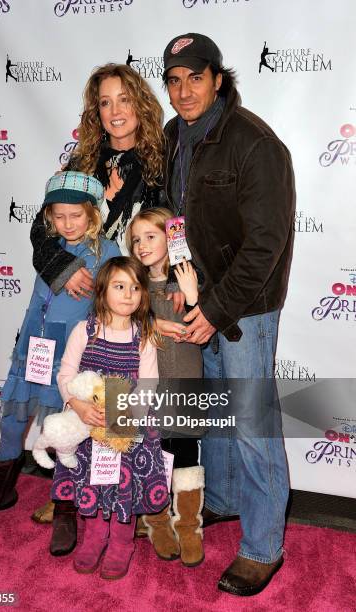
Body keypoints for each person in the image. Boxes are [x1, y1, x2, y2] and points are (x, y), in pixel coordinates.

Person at [162, 33, 295, 596]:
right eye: (174, 79)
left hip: (244, 308)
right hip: (198, 300)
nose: (184, 90)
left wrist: (215, 310)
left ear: (219, 78)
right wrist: (178, 287)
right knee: (214, 413)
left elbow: (265, 244)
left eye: (196, 77)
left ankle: (264, 546)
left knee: (251, 425)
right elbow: (176, 221)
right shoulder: (173, 137)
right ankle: (220, 500)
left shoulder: (254, 142)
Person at [29, 64, 186, 529]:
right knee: (78, 396)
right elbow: (42, 229)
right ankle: (68, 497)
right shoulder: (81, 164)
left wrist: (179, 287)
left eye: (124, 99)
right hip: (83, 300)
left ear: (139, 103)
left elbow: (172, 228)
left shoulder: (163, 161)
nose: (115, 111)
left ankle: (133, 498)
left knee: (131, 402)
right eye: (105, 102)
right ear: (95, 111)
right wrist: (62, 267)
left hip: (139, 295)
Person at [0, 172, 120, 531]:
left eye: (76, 215)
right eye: (59, 216)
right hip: (32, 348)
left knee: (59, 429)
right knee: (11, 421)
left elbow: (110, 305)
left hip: (67, 358)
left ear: (93, 214)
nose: (67, 223)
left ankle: (64, 510)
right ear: (49, 217)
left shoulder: (107, 252)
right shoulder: (48, 247)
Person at [51, 256, 169, 580]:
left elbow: (148, 385)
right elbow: (65, 375)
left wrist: (125, 416)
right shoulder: (84, 330)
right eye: (119, 286)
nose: (128, 294)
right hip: (87, 426)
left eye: (135, 287)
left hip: (125, 428)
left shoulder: (142, 337)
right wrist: (77, 405)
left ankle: (121, 542)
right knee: (92, 482)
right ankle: (94, 537)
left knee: (122, 486)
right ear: (102, 291)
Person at [127, 207, 205, 567]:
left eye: (150, 236)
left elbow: (204, 334)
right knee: (151, 453)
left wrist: (191, 296)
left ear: (171, 238)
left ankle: (189, 526)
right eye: (136, 239)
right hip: (147, 388)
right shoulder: (131, 283)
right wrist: (153, 324)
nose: (142, 245)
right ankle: (156, 523)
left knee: (187, 454)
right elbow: (112, 321)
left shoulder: (189, 276)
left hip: (186, 383)